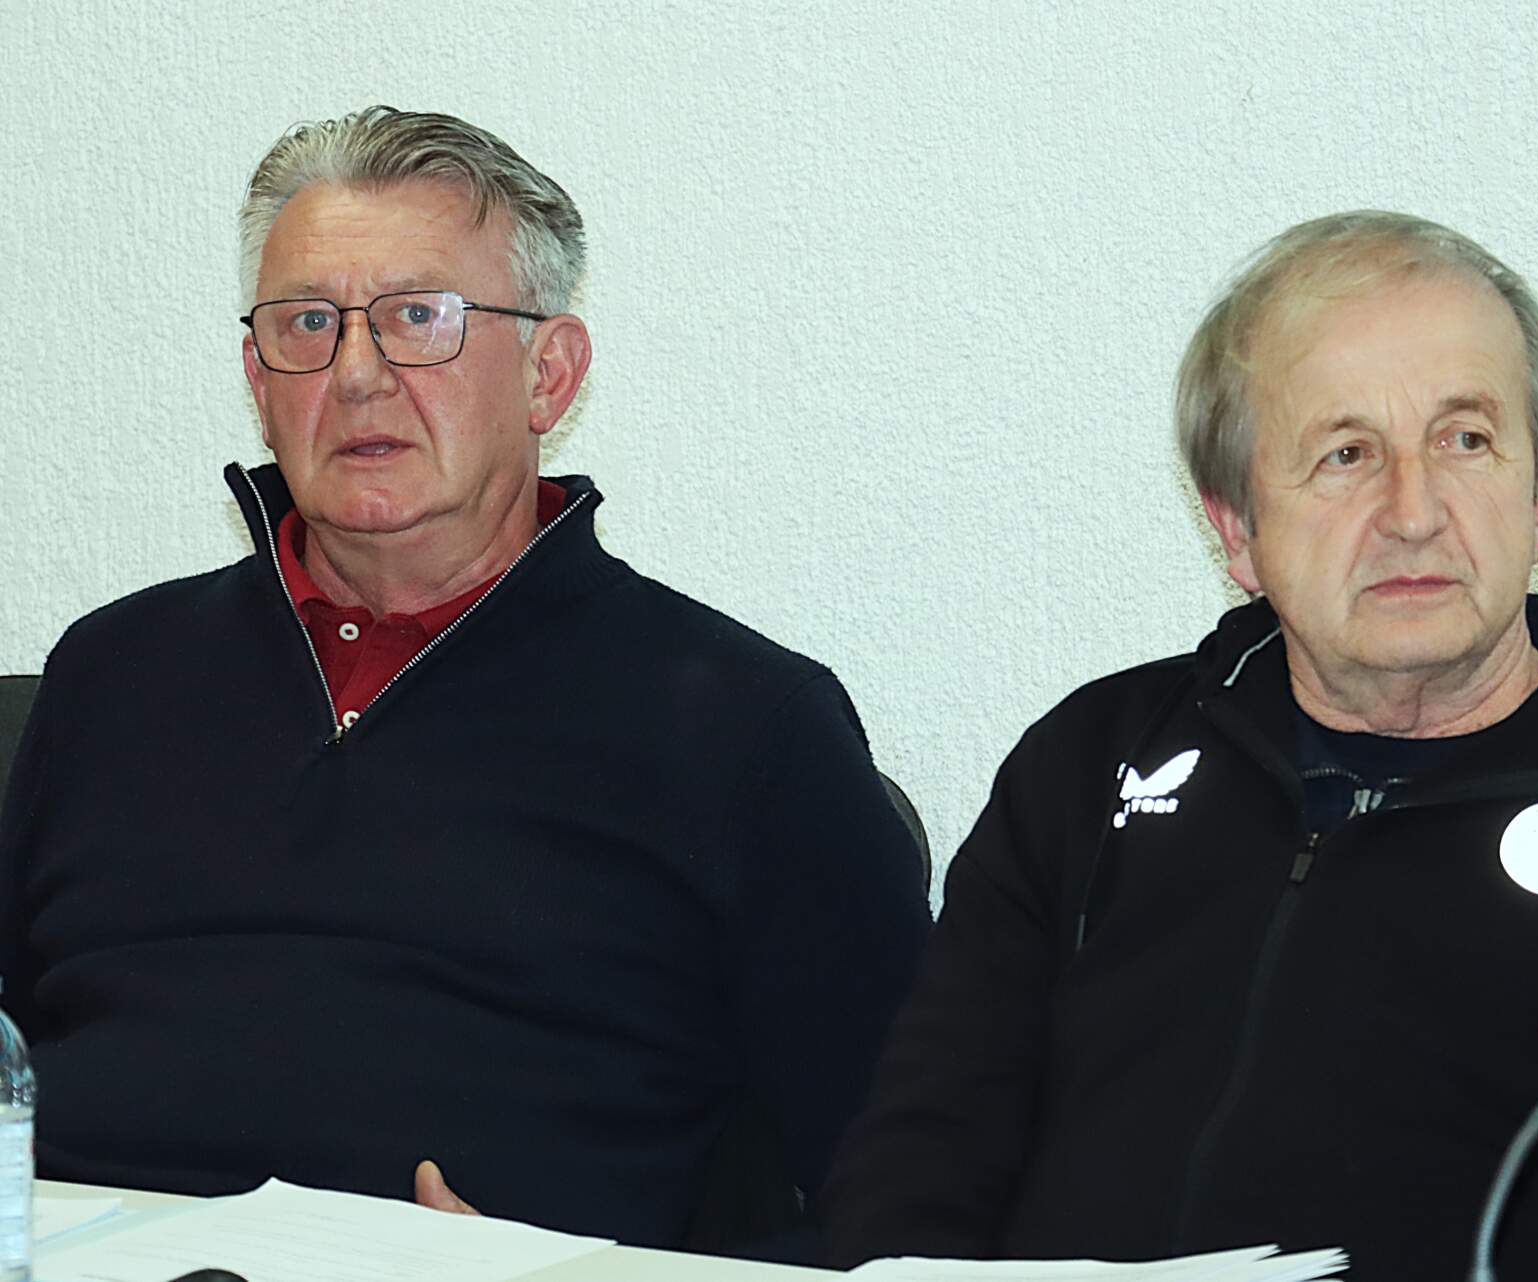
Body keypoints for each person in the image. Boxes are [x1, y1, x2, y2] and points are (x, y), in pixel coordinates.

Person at [823, 212, 1538, 1279]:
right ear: (1236, 528)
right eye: (1346, 454)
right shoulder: (1089, 768)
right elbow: (914, 1177)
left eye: (1465, 440)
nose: (1414, 512)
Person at [0, 106, 928, 1253]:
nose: (355, 374)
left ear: (550, 373)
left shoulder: (742, 724)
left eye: (418, 318)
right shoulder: (112, 674)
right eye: (307, 323)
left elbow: (918, 1199)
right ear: (257, 376)